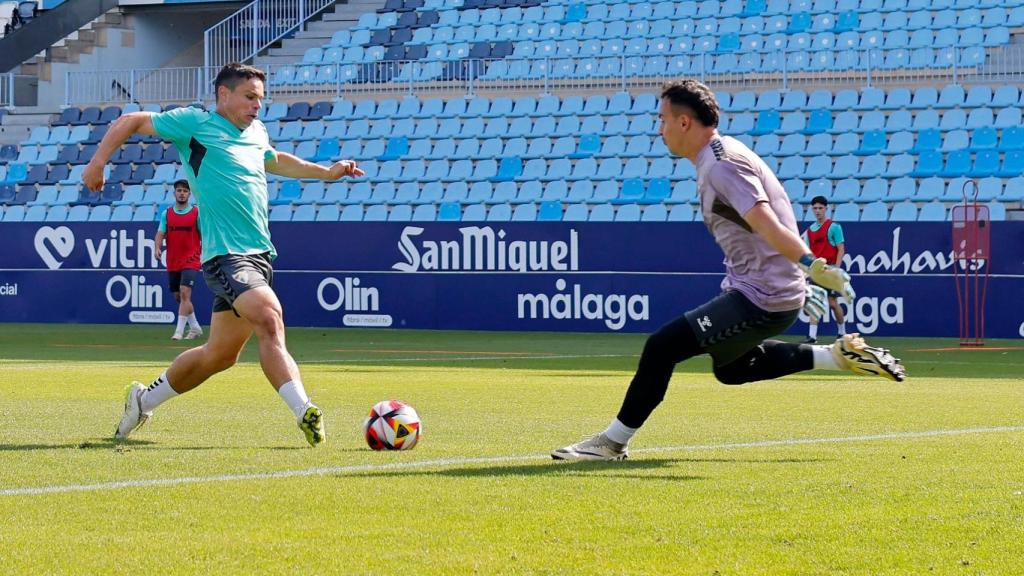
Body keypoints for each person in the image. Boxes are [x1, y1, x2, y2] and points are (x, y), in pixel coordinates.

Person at [552, 80, 906, 462]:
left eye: (663, 119)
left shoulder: (722, 164)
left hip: (763, 295)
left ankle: (612, 443)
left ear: (684, 122)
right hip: (764, 288)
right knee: (733, 368)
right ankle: (837, 356)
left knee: (661, 347)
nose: (660, 129)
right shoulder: (719, 156)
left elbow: (766, 222)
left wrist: (811, 265)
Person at [83, 62, 365, 446]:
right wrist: (98, 162)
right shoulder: (195, 124)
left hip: (260, 254)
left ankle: (142, 400)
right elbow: (131, 119)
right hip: (225, 255)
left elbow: (276, 159)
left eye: (260, 99)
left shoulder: (256, 132)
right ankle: (305, 410)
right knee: (270, 317)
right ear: (224, 95)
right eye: (250, 97)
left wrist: (326, 173)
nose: (257, 106)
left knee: (219, 356)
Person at [154, 179, 204, 341]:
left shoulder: (196, 213)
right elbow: (160, 233)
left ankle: (178, 332)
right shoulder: (167, 214)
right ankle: (195, 327)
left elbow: (205, 234)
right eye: (179, 190)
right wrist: (157, 248)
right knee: (179, 297)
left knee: (184, 293)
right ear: (174, 193)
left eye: (185, 191)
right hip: (173, 260)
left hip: (192, 259)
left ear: (190, 194)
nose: (182, 193)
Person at [802, 195, 847, 344]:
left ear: (826, 209)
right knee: (814, 302)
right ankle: (812, 336)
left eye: (820, 208)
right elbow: (810, 253)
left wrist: (837, 268)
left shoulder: (834, 227)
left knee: (833, 303)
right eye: (815, 208)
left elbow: (841, 249)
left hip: (830, 270)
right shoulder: (810, 230)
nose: (817, 211)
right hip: (817, 272)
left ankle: (842, 333)